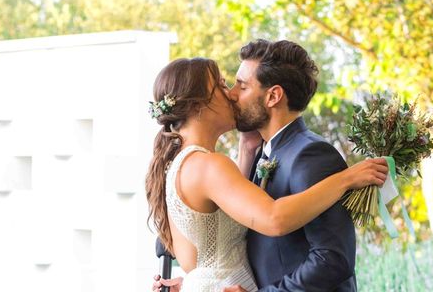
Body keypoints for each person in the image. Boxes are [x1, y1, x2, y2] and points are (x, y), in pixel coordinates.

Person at [147, 47, 387, 292]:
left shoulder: (309, 155)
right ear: (198, 106)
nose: (230, 94)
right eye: (222, 86)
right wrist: (346, 179)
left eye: (240, 86)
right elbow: (274, 218)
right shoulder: (208, 165)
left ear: (273, 97)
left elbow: (333, 259)